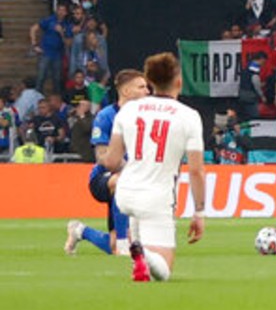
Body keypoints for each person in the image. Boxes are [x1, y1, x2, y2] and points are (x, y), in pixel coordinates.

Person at [100, 53, 207, 282]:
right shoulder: (189, 116)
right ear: (178, 82)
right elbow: (196, 170)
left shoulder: (128, 111)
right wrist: (199, 212)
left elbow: (110, 161)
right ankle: (143, 253)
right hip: (157, 197)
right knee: (164, 271)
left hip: (126, 192)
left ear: (149, 81)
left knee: (141, 252)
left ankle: (138, 255)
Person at [66, 68, 148, 257]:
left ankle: (80, 230)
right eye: (141, 87)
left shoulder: (148, 116)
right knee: (122, 180)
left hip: (136, 180)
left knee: (115, 247)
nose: (147, 92)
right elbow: (102, 157)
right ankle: (122, 243)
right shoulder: (106, 116)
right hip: (104, 179)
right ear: (126, 91)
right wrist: (130, 169)